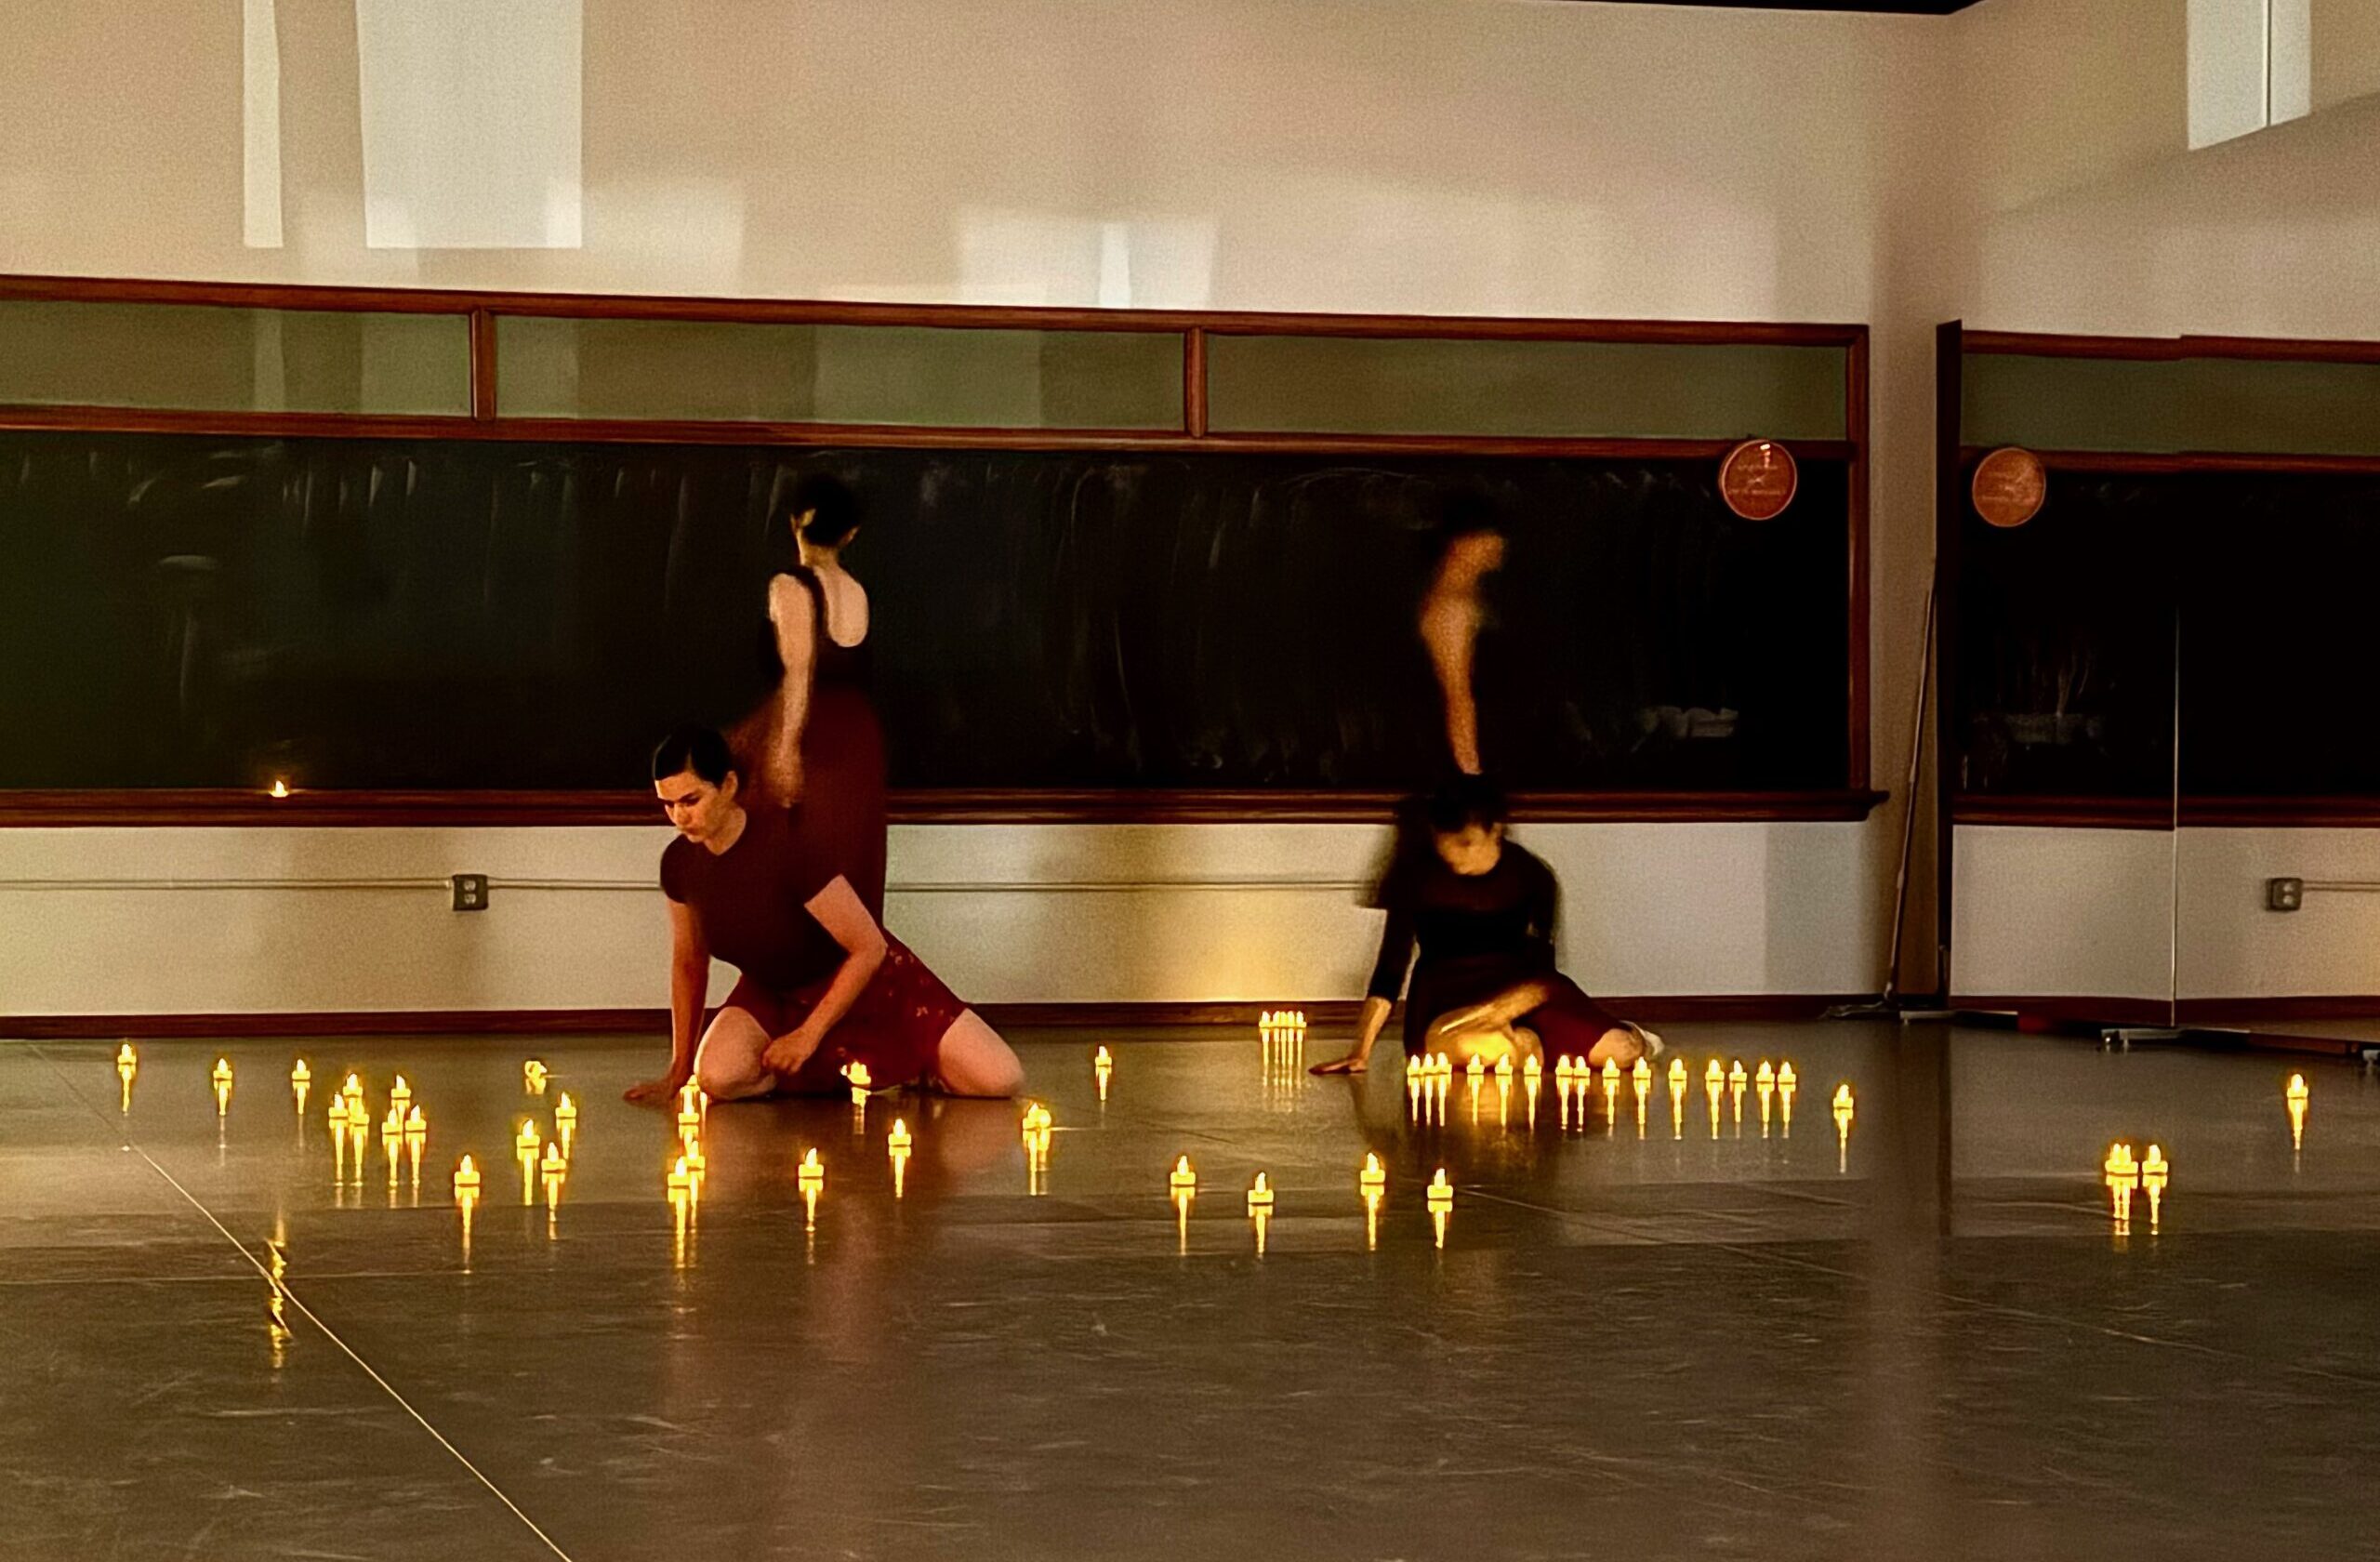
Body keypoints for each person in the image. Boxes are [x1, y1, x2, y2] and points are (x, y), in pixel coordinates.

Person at [626, 726, 1023, 1105]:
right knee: (716, 1076)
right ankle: (830, 1067)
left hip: (863, 984)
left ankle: (891, 1065)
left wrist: (808, 1035)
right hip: (775, 996)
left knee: (1000, 1079)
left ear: (728, 786)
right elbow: (689, 962)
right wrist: (679, 1071)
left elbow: (868, 947)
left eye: (690, 801)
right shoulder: (679, 864)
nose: (679, 817)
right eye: (668, 804)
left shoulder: (788, 847)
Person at [1311, 775, 1661, 1076]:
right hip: (1447, 1003)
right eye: (1447, 844)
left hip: (1520, 996)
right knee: (1468, 1046)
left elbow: (1542, 972)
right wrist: (1361, 1051)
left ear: (1496, 830)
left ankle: (1582, 1040)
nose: (1457, 856)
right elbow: (1390, 969)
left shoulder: (1532, 876)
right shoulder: (1417, 877)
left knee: (1623, 1051)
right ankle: (1527, 1048)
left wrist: (1497, 1014)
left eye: (1467, 844)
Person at [726, 473, 889, 918]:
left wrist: (784, 749)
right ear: (850, 534)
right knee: (844, 869)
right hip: (857, 742)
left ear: (794, 521)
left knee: (801, 869)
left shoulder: (790, 586)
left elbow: (800, 674)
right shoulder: (857, 591)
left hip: (813, 736)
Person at [1419, 494, 1506, 777]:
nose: (1499, 544)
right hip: (1473, 766)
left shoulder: (1476, 597)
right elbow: (1458, 696)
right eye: (1489, 535)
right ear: (1460, 543)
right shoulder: (1452, 606)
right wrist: (1471, 774)